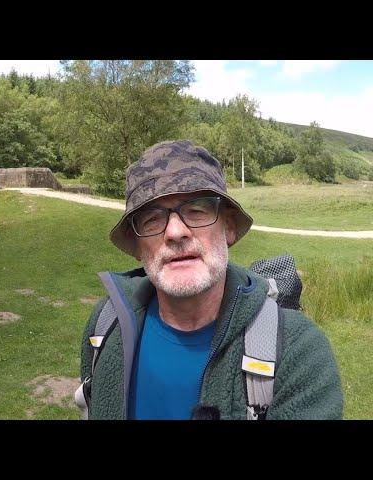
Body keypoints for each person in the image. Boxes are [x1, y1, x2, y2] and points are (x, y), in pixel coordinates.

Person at [78, 139, 343, 420]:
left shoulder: (298, 351)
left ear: (228, 227)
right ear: (137, 245)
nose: (175, 232)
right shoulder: (106, 326)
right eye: (152, 219)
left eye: (196, 210)